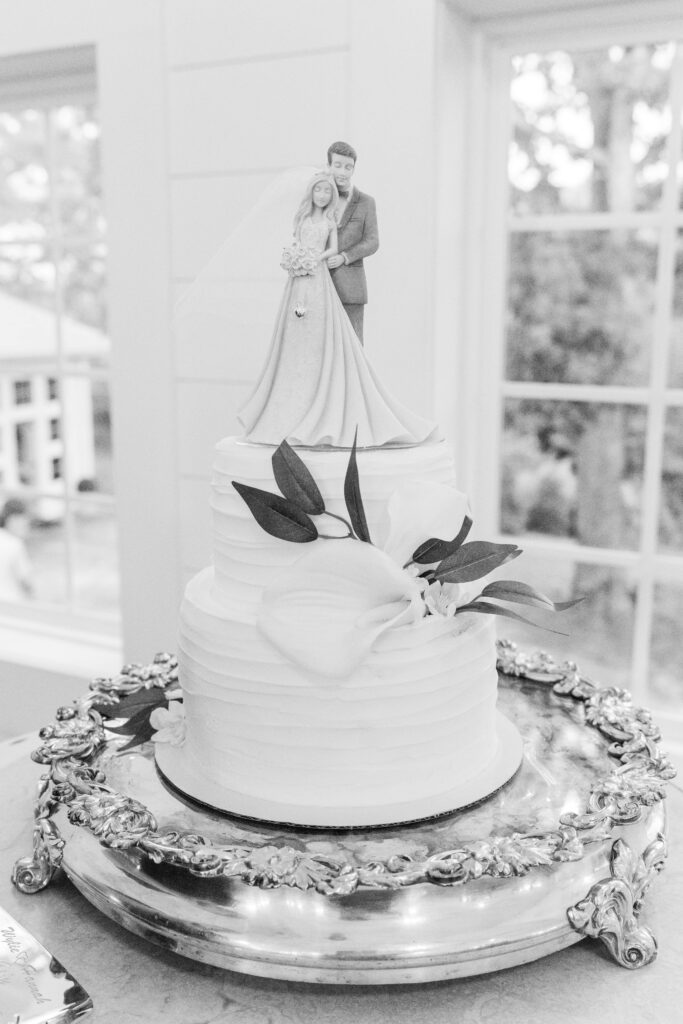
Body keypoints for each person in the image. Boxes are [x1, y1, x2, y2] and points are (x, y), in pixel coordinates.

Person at [237, 171, 436, 449]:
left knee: (324, 330)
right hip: (298, 279)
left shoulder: (331, 222)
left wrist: (315, 258)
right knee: (295, 328)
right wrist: (296, 258)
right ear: (312, 193)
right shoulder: (303, 218)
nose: (322, 196)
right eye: (318, 191)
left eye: (326, 192)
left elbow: (333, 249)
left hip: (317, 276)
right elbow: (295, 242)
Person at [325, 141, 378, 345]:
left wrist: (344, 257)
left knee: (353, 346)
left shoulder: (366, 202)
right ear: (329, 165)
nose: (343, 171)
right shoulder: (320, 197)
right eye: (337, 165)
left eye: (348, 167)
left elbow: (372, 241)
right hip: (321, 285)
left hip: (351, 289)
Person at [0, 497, 34, 601]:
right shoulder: (15, 544)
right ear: (12, 519)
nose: (26, 527)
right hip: (11, 605)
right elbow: (25, 581)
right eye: (24, 522)